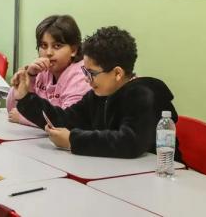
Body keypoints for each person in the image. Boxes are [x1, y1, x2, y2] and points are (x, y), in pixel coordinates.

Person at [12, 26, 181, 159]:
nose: (86, 79)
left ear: (117, 73)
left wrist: (73, 140)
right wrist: (25, 97)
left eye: (91, 73)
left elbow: (129, 142)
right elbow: (64, 119)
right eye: (84, 72)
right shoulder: (97, 95)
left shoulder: (145, 96)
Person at [6, 15, 91, 126]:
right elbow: (12, 109)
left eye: (57, 46)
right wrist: (30, 77)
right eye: (44, 45)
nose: (49, 52)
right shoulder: (41, 71)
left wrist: (24, 117)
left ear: (73, 50)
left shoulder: (81, 76)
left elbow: (66, 121)